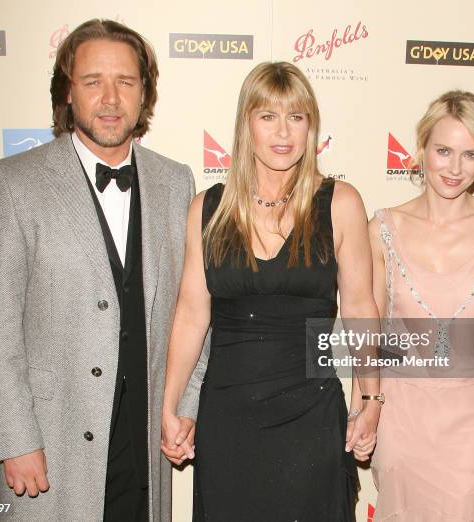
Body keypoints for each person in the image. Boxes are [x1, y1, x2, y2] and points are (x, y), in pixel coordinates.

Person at [0, 19, 199, 522]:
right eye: (93, 81)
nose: (111, 98)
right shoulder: (13, 183)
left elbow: (194, 309)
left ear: (145, 94)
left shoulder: (175, 181)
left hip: (142, 445)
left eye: (127, 82)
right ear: (68, 92)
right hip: (51, 444)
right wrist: (14, 439)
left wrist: (188, 405)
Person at [161, 61, 380, 522]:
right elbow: (190, 315)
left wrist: (370, 400)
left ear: (310, 127)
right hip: (229, 417)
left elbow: (361, 310)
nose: (283, 132)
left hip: (311, 416)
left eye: (296, 117)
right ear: (246, 125)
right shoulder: (209, 208)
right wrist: (169, 405)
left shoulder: (340, 204)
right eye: (268, 117)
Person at [369, 90, 474, 520]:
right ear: (421, 149)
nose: (455, 168)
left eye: (470, 154)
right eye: (443, 151)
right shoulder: (383, 228)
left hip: (470, 425)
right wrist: (363, 409)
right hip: (402, 421)